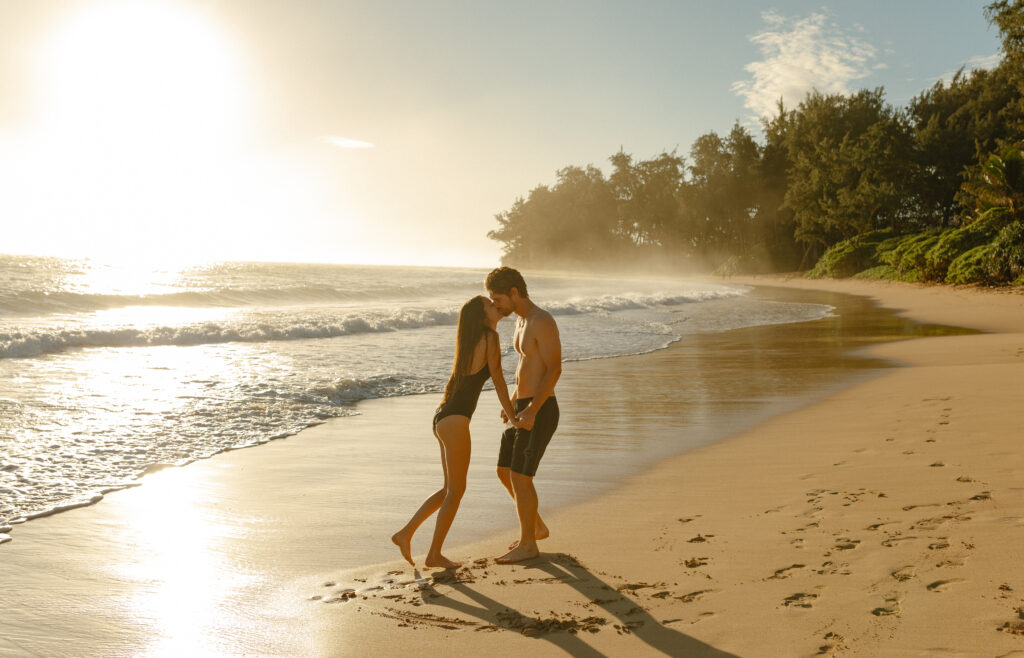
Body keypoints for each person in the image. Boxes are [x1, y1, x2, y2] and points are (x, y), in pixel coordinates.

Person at [392, 295, 517, 569]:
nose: (495, 305)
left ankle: (405, 534)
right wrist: (512, 415)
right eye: (489, 304)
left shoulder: (470, 341)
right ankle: (434, 554)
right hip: (456, 420)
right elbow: (498, 380)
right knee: (457, 490)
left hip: (443, 418)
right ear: (481, 315)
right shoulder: (490, 338)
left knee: (449, 489)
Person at [485, 267, 561, 564]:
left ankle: (529, 544)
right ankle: (537, 527)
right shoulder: (520, 321)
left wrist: (532, 408)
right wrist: (515, 401)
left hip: (540, 409)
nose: (495, 305)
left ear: (514, 292)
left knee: (521, 476)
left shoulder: (542, 321)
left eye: (498, 298)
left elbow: (554, 368)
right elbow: (528, 368)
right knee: (505, 471)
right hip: (523, 405)